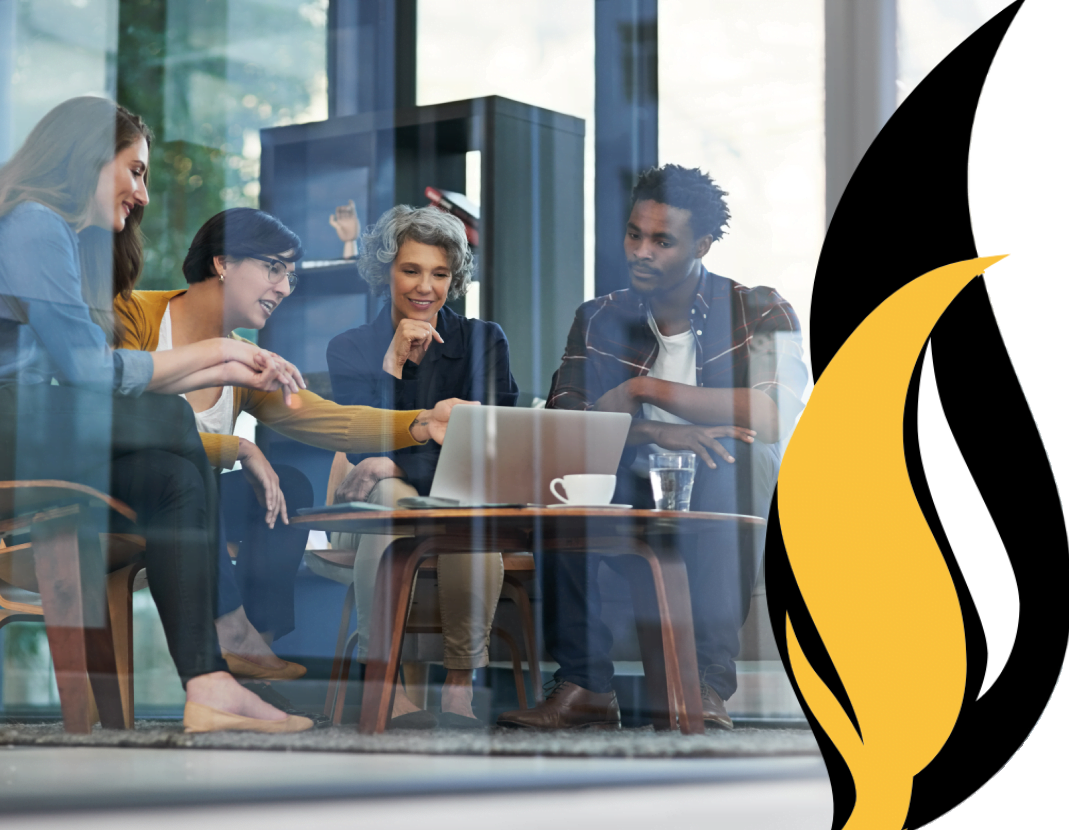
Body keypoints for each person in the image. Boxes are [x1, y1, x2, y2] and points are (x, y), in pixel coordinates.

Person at [0, 95, 313, 733]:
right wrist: (216, 353)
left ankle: (208, 681)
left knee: (171, 474)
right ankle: (223, 630)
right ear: (85, 158)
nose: (144, 193)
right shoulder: (32, 222)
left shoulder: (60, 239)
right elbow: (86, 371)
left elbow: (86, 374)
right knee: (168, 423)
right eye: (135, 171)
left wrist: (218, 364)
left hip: (9, 428)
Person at [497, 165, 808, 731]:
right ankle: (584, 684)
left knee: (733, 460)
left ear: (703, 245)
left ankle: (703, 685)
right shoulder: (597, 319)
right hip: (630, 475)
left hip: (719, 481)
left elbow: (771, 415)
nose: (641, 250)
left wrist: (642, 391)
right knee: (564, 469)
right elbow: (571, 423)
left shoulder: (759, 310)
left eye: (662, 240)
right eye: (634, 234)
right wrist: (659, 431)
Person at [114, 208, 471, 684]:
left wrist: (422, 423)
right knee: (187, 470)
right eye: (274, 268)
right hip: (119, 493)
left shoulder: (248, 359)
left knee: (290, 485)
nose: (284, 287)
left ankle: (256, 642)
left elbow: (332, 421)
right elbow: (117, 414)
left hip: (188, 510)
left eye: (291, 276)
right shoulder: (135, 311)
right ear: (223, 262)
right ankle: (231, 632)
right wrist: (238, 449)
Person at [327, 205, 520, 729]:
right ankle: (384, 683)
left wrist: (396, 463)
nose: (425, 287)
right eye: (411, 270)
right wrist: (395, 367)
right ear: (384, 270)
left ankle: (459, 687)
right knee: (391, 501)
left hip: (461, 493)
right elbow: (362, 443)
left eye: (440, 273)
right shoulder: (349, 350)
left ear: (455, 279)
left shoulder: (484, 341)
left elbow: (487, 446)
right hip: (376, 508)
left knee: (465, 506)